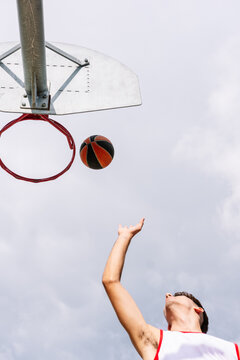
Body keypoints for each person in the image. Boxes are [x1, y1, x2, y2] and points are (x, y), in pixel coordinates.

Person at [102, 218, 240, 360]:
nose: (167, 295)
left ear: (198, 310)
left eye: (177, 295)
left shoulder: (232, 351)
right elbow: (111, 281)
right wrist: (124, 237)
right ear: (168, 326)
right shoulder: (155, 341)